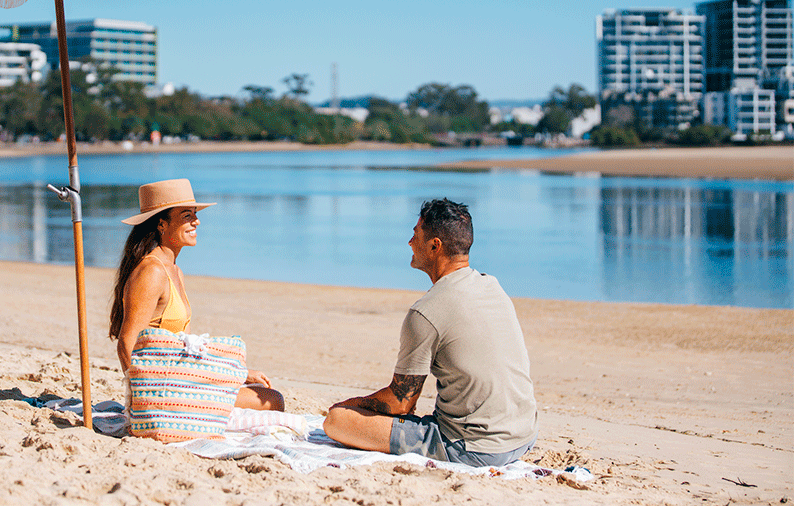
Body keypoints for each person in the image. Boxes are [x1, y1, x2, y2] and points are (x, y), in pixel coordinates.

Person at [323, 198, 537, 467]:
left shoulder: (427, 312)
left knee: (338, 421)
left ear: (435, 245)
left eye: (415, 236)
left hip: (473, 448)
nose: (410, 243)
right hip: (524, 434)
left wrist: (351, 405)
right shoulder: (491, 286)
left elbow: (400, 404)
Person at [110, 178, 284, 414]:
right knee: (273, 401)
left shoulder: (174, 271)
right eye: (186, 216)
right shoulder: (151, 272)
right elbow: (126, 342)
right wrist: (145, 398)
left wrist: (239, 373)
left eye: (194, 214)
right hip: (167, 390)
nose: (197, 221)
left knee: (261, 392)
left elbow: (187, 348)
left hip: (181, 379)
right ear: (161, 224)